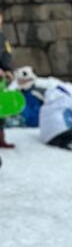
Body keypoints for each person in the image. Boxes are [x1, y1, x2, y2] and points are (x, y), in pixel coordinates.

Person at [0, 12, 15, 148]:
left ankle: (1, 138)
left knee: (1, 109)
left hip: (0, 80)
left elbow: (6, 55)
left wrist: (7, 70)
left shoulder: (2, 38)